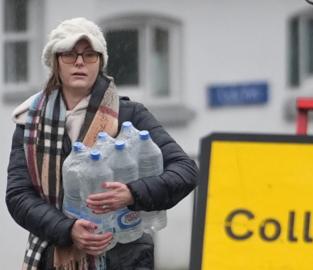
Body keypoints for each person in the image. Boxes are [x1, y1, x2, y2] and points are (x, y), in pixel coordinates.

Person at [6, 17, 198, 270]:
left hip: (125, 256)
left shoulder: (129, 115)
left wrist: (132, 193)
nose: (79, 62)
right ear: (54, 63)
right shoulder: (30, 124)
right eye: (68, 54)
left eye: (89, 55)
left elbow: (185, 170)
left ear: (100, 62)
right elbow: (18, 195)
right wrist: (68, 230)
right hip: (55, 256)